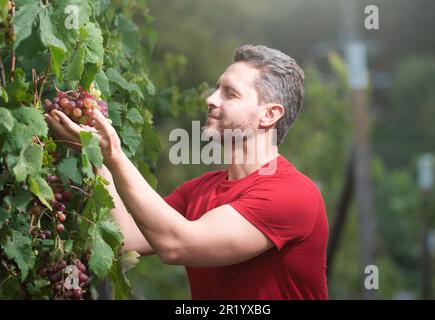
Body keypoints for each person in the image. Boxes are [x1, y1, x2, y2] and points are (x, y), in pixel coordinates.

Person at [45, 44, 328, 300]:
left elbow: (176, 245)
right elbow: (125, 237)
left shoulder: (292, 193)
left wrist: (114, 154)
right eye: (217, 88)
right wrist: (96, 157)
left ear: (269, 115)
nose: (211, 99)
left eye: (230, 93)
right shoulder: (201, 189)